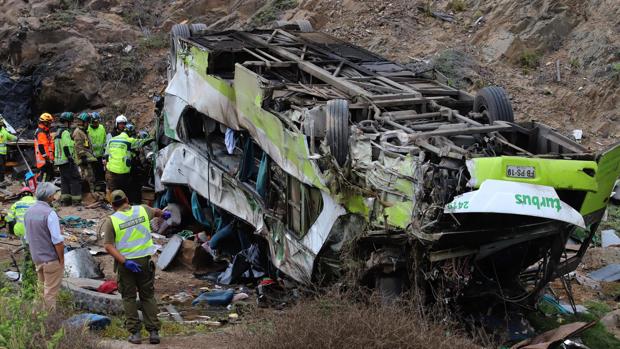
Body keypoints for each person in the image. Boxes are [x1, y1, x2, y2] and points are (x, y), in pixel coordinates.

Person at [102, 190, 168, 344]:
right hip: (145, 263)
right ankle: (153, 332)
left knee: (129, 298)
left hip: (126, 265)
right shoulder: (143, 209)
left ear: (112, 205)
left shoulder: (111, 220)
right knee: (148, 296)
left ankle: (135, 334)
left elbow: (108, 246)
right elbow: (157, 212)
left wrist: (125, 262)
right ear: (127, 199)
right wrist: (164, 214)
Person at [24, 182, 64, 308]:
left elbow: (27, 238)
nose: (55, 196)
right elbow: (57, 241)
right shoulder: (50, 213)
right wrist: (61, 260)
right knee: (50, 294)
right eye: (53, 194)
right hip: (51, 259)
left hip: (37, 258)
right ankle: (48, 323)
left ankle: (35, 320)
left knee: (40, 292)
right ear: (49, 196)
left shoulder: (28, 212)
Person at [104, 123, 151, 200]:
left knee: (113, 191)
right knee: (123, 192)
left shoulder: (112, 140)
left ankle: (113, 206)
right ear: (130, 133)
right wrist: (152, 139)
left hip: (110, 171)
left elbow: (106, 155)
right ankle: (124, 206)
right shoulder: (129, 141)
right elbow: (142, 142)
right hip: (122, 172)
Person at [54, 112, 81, 205]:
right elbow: (66, 146)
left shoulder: (58, 132)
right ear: (67, 122)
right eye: (71, 122)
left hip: (59, 161)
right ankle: (76, 201)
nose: (71, 124)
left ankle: (66, 201)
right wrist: (70, 158)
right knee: (75, 179)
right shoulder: (65, 132)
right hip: (67, 160)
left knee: (64, 180)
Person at [73, 112, 97, 194]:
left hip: (87, 159)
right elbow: (78, 146)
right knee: (87, 178)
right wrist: (83, 158)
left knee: (91, 177)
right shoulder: (78, 132)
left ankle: (91, 193)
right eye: (87, 122)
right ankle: (88, 195)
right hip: (83, 160)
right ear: (84, 122)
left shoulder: (84, 131)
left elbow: (87, 145)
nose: (88, 124)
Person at [87, 112, 107, 191]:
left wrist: (105, 154)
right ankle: (94, 189)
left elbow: (105, 140)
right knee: (93, 174)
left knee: (101, 173)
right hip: (91, 157)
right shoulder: (88, 129)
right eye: (95, 122)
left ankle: (102, 189)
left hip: (100, 156)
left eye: (98, 121)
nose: (97, 123)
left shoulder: (101, 127)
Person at [34, 113, 55, 182]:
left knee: (49, 174)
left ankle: (46, 187)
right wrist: (46, 158)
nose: (50, 124)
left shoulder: (45, 131)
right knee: (44, 175)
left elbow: (49, 144)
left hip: (47, 158)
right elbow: (41, 146)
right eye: (49, 122)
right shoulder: (41, 132)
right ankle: (42, 189)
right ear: (45, 122)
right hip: (43, 159)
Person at [0, 114, 17, 184]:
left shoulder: (3, 129)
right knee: (0, 167)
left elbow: (8, 135)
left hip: (3, 153)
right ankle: (1, 181)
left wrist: (16, 138)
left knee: (3, 168)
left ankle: (2, 181)